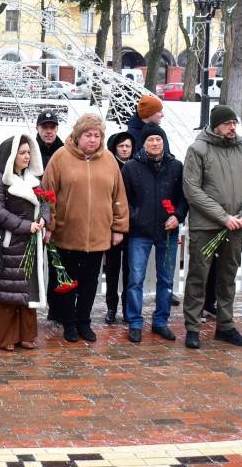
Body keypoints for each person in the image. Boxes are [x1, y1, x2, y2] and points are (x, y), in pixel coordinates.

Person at [41, 113, 129, 343]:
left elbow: (118, 196)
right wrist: (49, 224)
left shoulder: (109, 160)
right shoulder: (60, 157)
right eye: (88, 135)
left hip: (98, 234)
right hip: (67, 232)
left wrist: (118, 227)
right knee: (68, 282)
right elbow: (47, 194)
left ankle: (84, 321)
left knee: (90, 282)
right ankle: (68, 322)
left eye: (97, 135)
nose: (92, 139)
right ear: (77, 136)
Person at [182, 106, 242, 350]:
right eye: (227, 123)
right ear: (216, 125)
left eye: (234, 123)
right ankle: (193, 328)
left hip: (235, 226)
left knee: (228, 276)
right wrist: (223, 216)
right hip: (206, 226)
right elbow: (192, 189)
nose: (232, 127)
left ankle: (225, 326)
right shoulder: (198, 149)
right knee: (198, 277)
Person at [121, 124, 186, 344]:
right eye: (150, 140)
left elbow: (183, 198)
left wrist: (177, 215)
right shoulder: (131, 167)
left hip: (167, 231)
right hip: (140, 232)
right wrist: (134, 217)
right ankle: (135, 322)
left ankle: (161, 321)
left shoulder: (176, 166)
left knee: (166, 280)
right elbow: (124, 199)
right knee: (135, 279)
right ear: (144, 143)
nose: (155, 143)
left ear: (164, 142)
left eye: (158, 139)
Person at [0, 134, 51, 351]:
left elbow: (44, 202)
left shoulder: (33, 178)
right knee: (8, 290)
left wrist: (44, 218)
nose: (26, 156)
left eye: (28, 152)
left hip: (32, 242)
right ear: (11, 156)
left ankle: (26, 334)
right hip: (10, 243)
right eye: (21, 152)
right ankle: (6, 337)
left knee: (28, 290)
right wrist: (25, 226)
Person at [103, 131, 136, 324]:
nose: (124, 149)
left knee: (130, 271)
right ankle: (111, 307)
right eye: (121, 146)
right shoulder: (109, 166)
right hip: (111, 225)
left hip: (133, 226)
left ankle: (127, 307)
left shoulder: (136, 167)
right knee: (113, 269)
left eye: (128, 146)